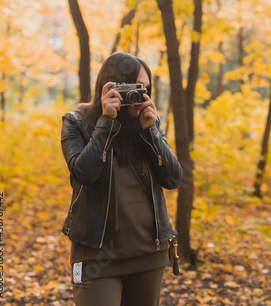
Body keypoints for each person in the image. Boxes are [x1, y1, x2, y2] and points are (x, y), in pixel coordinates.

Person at [60, 52, 183, 306]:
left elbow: (173, 179)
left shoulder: (148, 124)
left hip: (149, 255)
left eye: (145, 88)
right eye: (134, 87)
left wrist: (152, 132)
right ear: (112, 86)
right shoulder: (78, 121)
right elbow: (84, 173)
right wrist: (106, 121)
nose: (140, 95)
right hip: (95, 257)